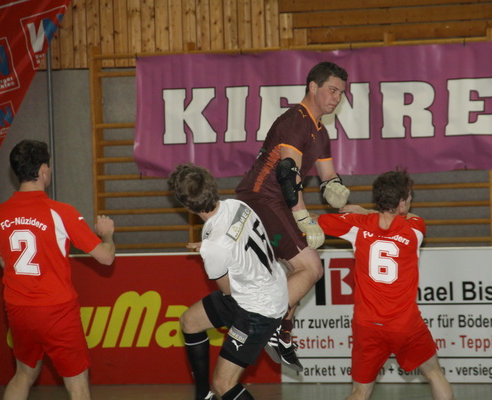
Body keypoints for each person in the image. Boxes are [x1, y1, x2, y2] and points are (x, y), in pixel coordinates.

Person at [235, 61, 350, 371]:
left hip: (277, 202)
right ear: (313, 86)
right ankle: (265, 322)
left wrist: (335, 188)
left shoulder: (320, 130)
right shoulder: (295, 121)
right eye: (332, 90)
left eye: (341, 93)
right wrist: (304, 218)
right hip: (262, 199)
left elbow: (328, 175)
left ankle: (280, 332)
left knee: (295, 274)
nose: (337, 98)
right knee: (311, 266)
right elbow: (288, 176)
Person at [0, 140, 116, 400]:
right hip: (57, 311)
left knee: (23, 374)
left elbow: (3, 260)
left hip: (18, 309)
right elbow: (106, 259)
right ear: (43, 169)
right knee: (77, 385)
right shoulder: (61, 212)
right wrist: (107, 235)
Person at [317, 170, 454, 400]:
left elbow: (311, 221)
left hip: (367, 325)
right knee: (434, 374)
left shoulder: (358, 226)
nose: (411, 201)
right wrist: (366, 211)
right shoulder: (415, 229)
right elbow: (406, 218)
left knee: (360, 392)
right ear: (401, 203)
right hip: (405, 324)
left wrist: (362, 213)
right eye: (409, 197)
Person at [168, 163, 288, 400]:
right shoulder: (237, 206)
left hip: (257, 307)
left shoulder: (215, 246)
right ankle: (203, 396)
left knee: (223, 385)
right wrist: (213, 249)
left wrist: (212, 253)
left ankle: (266, 329)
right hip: (267, 285)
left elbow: (227, 290)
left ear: (186, 206)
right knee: (190, 322)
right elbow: (236, 240)